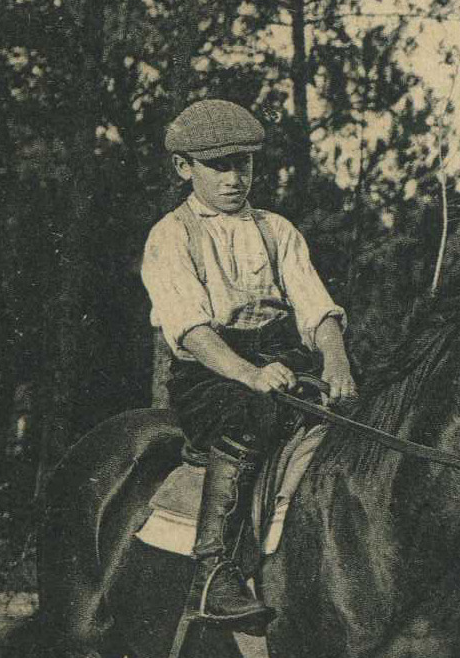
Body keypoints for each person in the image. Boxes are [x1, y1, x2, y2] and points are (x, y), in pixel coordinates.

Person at [140, 99, 357, 631]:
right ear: (183, 168)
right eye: (219, 165)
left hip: (281, 358)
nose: (235, 178)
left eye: (244, 163)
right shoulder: (171, 236)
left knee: (355, 417)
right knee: (251, 414)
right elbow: (192, 330)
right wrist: (251, 375)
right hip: (210, 374)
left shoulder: (277, 230)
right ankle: (214, 571)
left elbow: (315, 305)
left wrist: (338, 363)